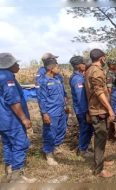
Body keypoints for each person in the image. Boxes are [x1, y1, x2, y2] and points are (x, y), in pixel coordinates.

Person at [0, 53, 36, 183]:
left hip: (2, 120)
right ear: (9, 65)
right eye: (16, 63)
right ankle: (17, 176)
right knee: (21, 143)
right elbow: (12, 101)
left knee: (8, 144)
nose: (18, 65)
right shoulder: (7, 77)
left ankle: (8, 172)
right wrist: (24, 119)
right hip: (11, 119)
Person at [85, 49, 115, 178]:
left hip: (96, 109)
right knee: (100, 138)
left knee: (100, 139)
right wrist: (109, 109)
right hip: (98, 110)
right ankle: (99, 170)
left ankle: (101, 161)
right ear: (102, 58)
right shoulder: (96, 71)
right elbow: (99, 92)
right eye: (105, 58)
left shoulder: (90, 69)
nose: (105, 60)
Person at [36, 57, 68, 166]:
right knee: (50, 133)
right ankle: (48, 154)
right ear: (51, 68)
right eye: (57, 67)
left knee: (61, 129)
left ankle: (55, 147)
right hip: (51, 112)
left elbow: (63, 94)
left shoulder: (57, 79)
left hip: (61, 110)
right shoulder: (43, 81)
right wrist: (44, 114)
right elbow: (41, 99)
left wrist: (65, 105)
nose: (59, 69)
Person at [69, 56, 93, 158]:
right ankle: (83, 150)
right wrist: (87, 112)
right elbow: (81, 98)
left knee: (88, 128)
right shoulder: (77, 79)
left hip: (84, 109)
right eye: (83, 63)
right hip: (82, 110)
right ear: (79, 65)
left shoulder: (80, 76)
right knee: (85, 128)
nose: (85, 65)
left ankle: (85, 146)